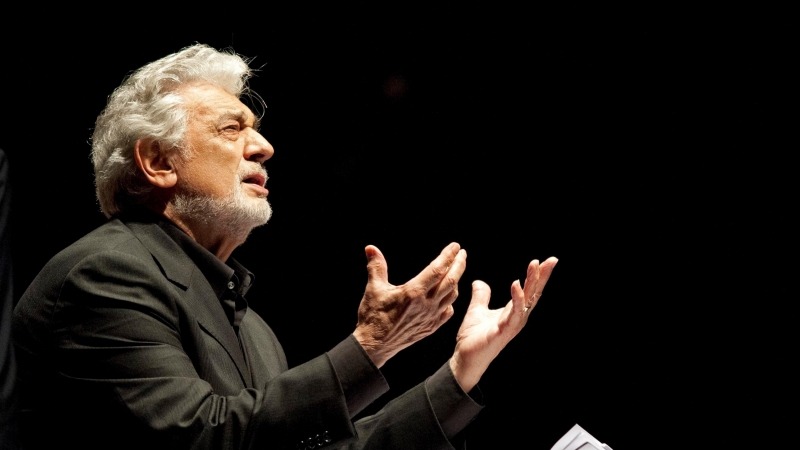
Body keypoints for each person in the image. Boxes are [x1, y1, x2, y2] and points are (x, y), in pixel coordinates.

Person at [12, 44, 557, 450]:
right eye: (231, 129)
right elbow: (204, 440)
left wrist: (459, 372)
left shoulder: (253, 327)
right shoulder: (103, 275)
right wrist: (370, 346)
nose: (265, 146)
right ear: (157, 163)